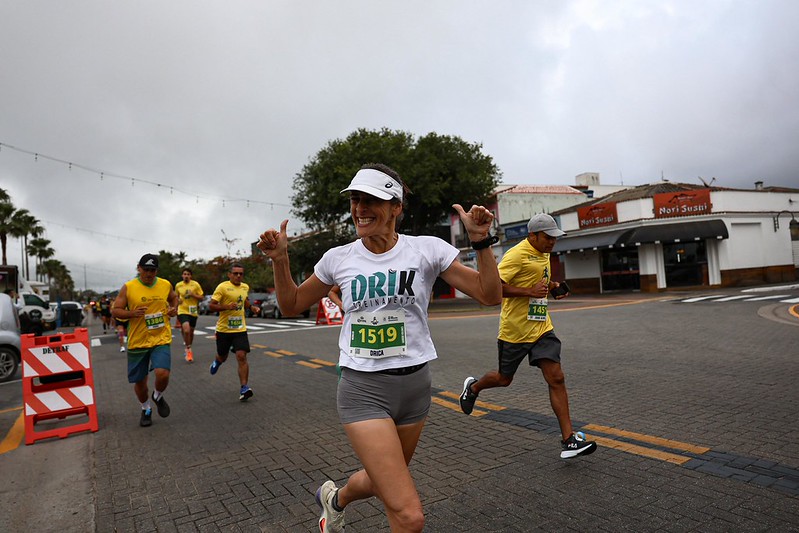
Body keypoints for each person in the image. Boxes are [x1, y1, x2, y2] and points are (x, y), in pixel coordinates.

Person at [257, 163, 502, 533]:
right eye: (355, 200)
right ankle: (340, 502)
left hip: (415, 388)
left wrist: (481, 241)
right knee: (408, 515)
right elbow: (291, 305)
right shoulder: (338, 258)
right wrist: (280, 260)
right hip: (363, 390)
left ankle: (335, 499)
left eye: (371, 200)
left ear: (396, 207)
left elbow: (489, 294)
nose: (360, 208)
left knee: (381, 480)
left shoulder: (427, 250)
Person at [458, 213, 598, 459]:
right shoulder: (516, 255)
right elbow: (493, 287)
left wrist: (552, 287)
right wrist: (528, 292)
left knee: (556, 377)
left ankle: (569, 440)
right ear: (532, 235)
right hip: (515, 331)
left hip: (542, 327)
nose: (552, 242)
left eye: (555, 237)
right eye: (548, 237)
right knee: (503, 379)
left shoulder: (544, 252)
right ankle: (474, 387)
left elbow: (537, 279)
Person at [111, 253, 179, 427]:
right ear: (139, 268)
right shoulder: (129, 287)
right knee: (140, 383)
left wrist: (174, 308)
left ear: (157, 271)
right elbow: (116, 310)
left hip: (160, 337)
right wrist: (131, 313)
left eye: (152, 270)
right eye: (146, 269)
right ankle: (146, 408)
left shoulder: (165, 284)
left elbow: (173, 297)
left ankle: (157, 395)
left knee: (163, 373)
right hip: (138, 341)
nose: (149, 273)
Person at [208, 263, 261, 401]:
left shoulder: (245, 287)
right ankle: (217, 361)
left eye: (241, 274)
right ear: (229, 275)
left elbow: (245, 301)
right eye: (235, 273)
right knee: (223, 356)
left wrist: (252, 308)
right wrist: (226, 306)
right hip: (224, 330)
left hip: (240, 329)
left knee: (241, 356)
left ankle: (244, 388)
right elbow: (211, 306)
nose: (238, 276)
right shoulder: (222, 287)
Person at [174, 268, 204, 363]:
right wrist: (176, 304)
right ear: (182, 275)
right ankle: (188, 349)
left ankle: (188, 345)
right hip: (182, 310)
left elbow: (201, 297)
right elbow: (175, 297)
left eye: (188, 274)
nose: (186, 276)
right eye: (184, 274)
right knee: (186, 330)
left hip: (193, 310)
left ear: (190, 276)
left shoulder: (195, 285)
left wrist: (193, 295)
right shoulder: (178, 285)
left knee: (190, 332)